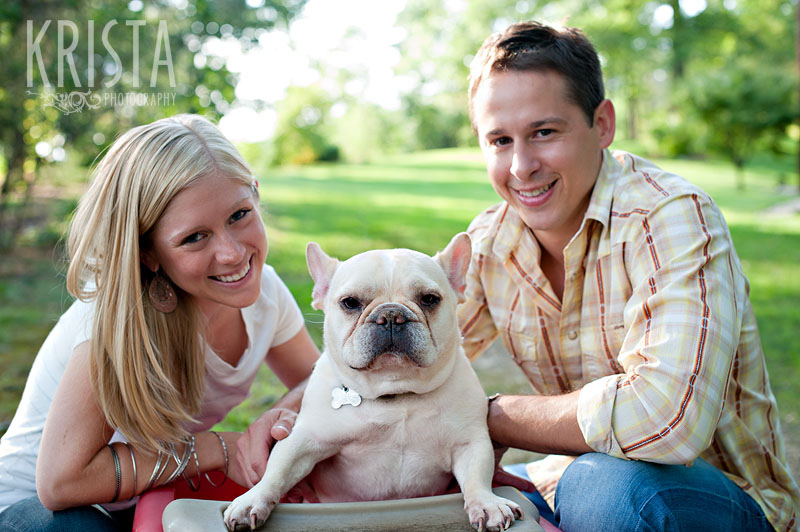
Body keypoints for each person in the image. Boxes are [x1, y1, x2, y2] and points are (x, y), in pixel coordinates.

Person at [459, 21, 799, 531]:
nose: (521, 166)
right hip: (570, 479)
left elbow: (668, 422)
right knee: (441, 494)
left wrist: (492, 416)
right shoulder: (489, 240)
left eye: (544, 132)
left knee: (606, 487)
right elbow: (404, 353)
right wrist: (307, 415)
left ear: (603, 124)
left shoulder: (671, 217)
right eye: (500, 140)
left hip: (709, 502)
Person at [0, 114, 320, 531]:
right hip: (40, 515)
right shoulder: (118, 320)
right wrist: (221, 450)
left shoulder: (268, 296)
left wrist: (273, 419)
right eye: (194, 237)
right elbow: (60, 483)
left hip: (134, 500)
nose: (232, 253)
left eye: (239, 214)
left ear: (255, 194)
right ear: (148, 253)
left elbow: (320, 379)